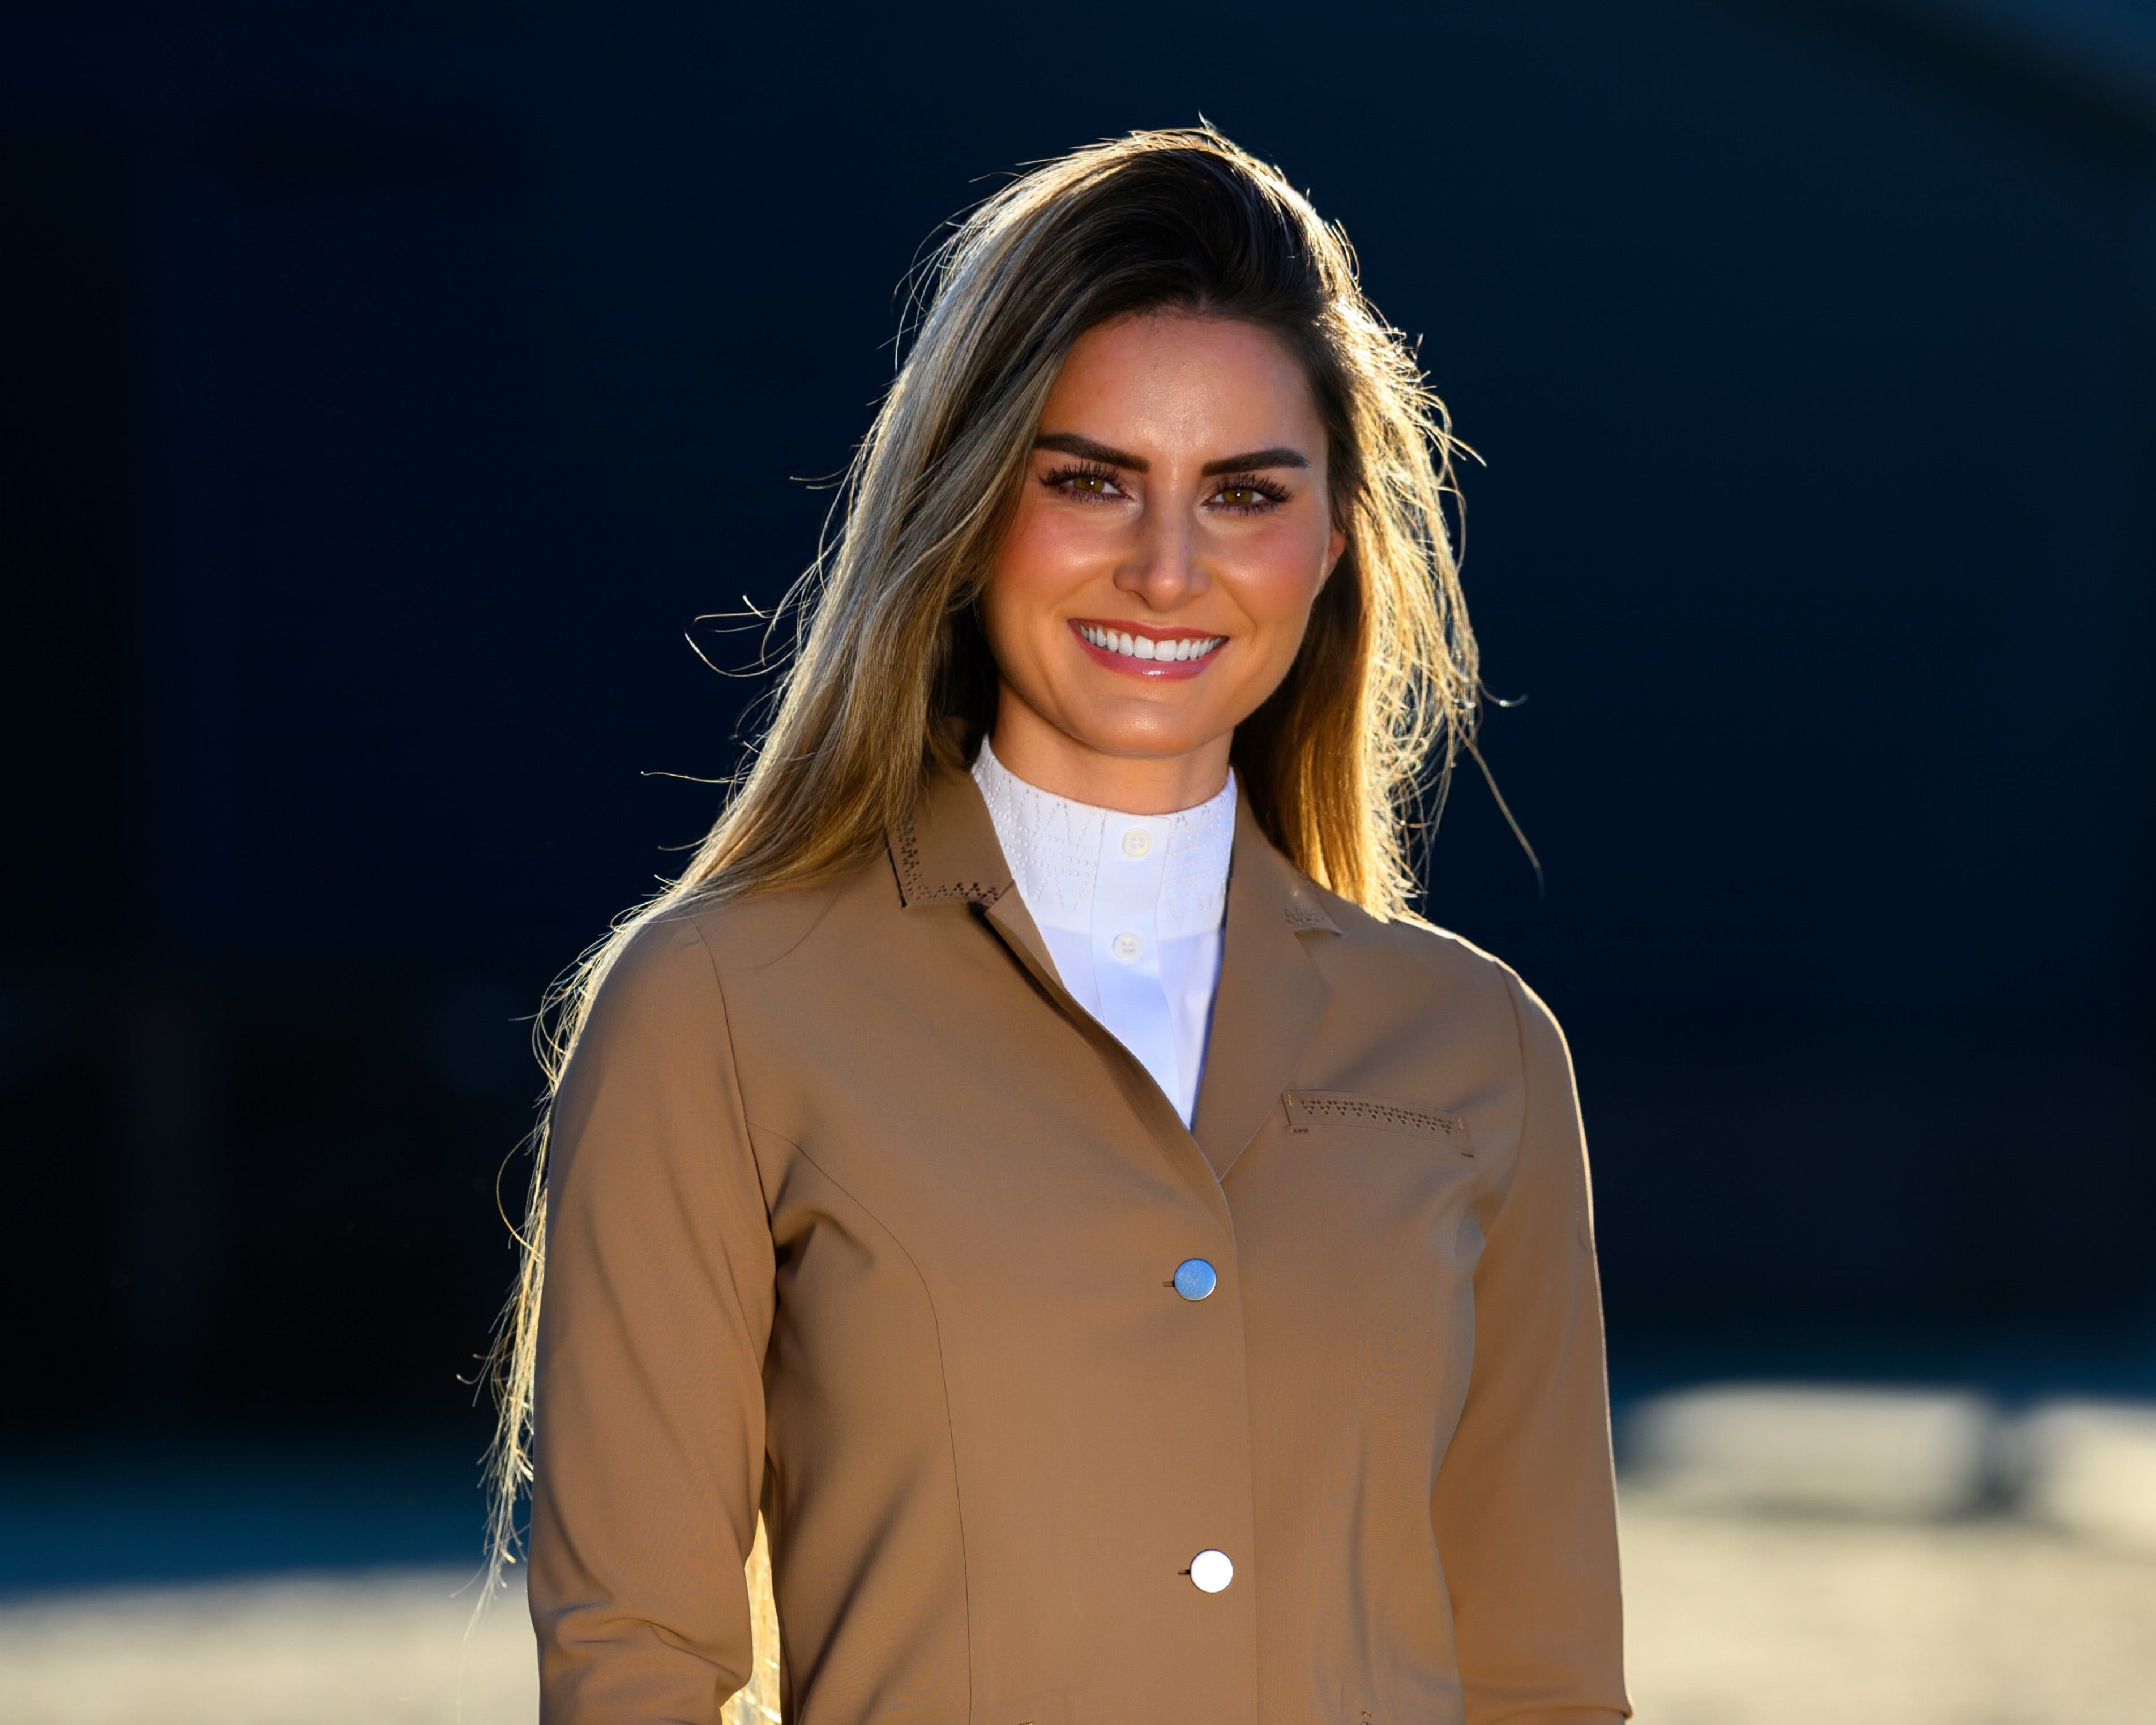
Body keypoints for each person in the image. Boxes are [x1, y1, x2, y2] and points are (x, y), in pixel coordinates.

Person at [492, 126, 1628, 1725]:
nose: (1167, 569)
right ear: (967, 509)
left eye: (1245, 493)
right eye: (1089, 480)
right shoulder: (722, 1008)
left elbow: (1545, 1680)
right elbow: (635, 1668)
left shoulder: (1481, 1049)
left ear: (1329, 547)